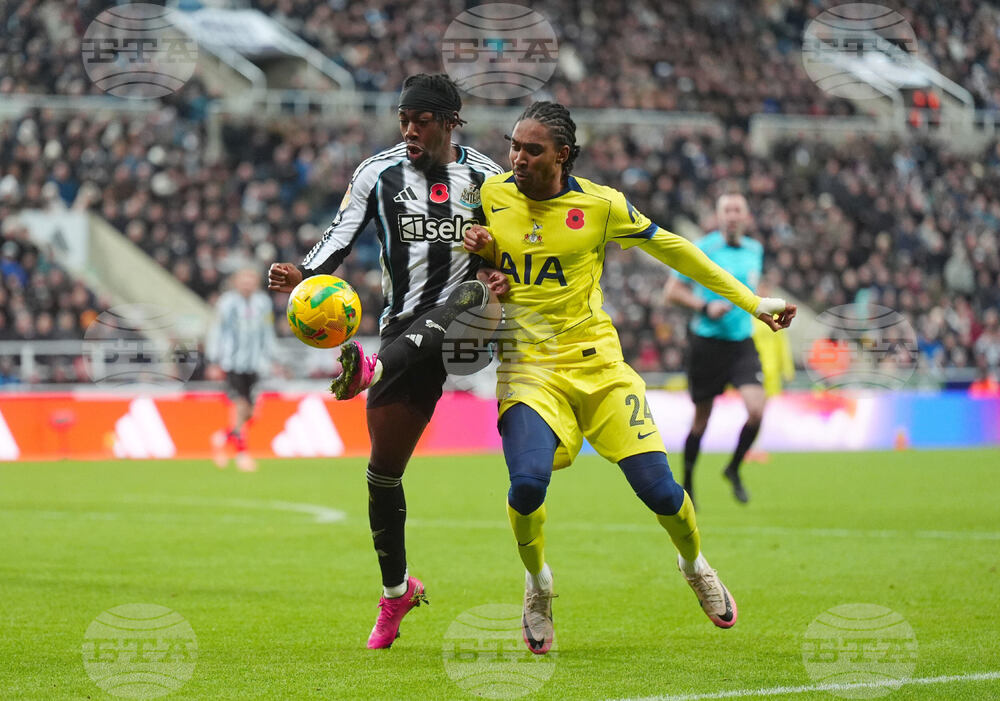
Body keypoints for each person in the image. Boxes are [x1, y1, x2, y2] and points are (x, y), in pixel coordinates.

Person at [458, 102, 795, 654]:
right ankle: (538, 584)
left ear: (562, 155)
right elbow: (484, 263)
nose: (517, 157)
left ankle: (694, 564)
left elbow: (678, 253)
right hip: (527, 367)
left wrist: (751, 302)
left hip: (599, 366)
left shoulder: (600, 204)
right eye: (513, 145)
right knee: (525, 485)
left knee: (661, 492)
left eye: (532, 149)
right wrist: (486, 267)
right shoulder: (490, 196)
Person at [267, 73, 505, 650]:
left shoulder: (489, 179)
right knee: (382, 472)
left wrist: (499, 264)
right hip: (404, 335)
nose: (408, 130)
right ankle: (396, 591)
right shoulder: (378, 173)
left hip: (472, 323)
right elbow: (340, 235)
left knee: (472, 293)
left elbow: (518, 244)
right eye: (403, 120)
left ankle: (369, 369)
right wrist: (305, 272)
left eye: (419, 121)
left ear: (449, 123)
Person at [664, 191, 769, 505]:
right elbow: (671, 291)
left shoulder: (755, 250)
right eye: (728, 210)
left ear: (746, 216)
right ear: (719, 216)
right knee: (701, 419)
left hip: (741, 343)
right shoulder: (703, 248)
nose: (733, 215)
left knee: (757, 411)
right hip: (707, 344)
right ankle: (688, 484)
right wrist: (704, 307)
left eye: (738, 209)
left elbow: (752, 290)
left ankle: (734, 468)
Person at [206, 267, 276, 472]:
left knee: (252, 413)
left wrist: (273, 359)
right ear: (236, 281)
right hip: (232, 364)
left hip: (255, 364)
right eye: (243, 279)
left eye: (251, 279)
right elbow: (216, 330)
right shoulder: (227, 303)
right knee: (240, 407)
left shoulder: (263, 303)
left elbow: (267, 332)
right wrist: (213, 360)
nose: (247, 283)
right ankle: (242, 454)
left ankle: (221, 438)